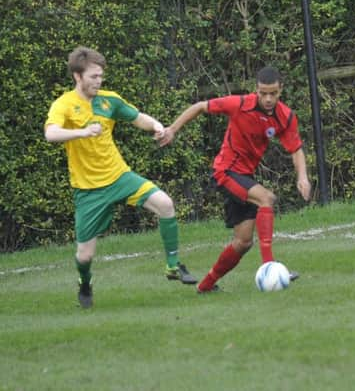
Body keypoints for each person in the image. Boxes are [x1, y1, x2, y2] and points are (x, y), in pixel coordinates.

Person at [44, 46, 197, 308]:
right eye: (93, 76)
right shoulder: (64, 105)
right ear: (77, 77)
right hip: (88, 189)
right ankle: (85, 282)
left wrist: (157, 126)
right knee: (84, 255)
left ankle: (173, 266)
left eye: (101, 76)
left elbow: (138, 118)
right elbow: (51, 134)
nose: (99, 81)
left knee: (165, 204)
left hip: (118, 177)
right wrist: (81, 133)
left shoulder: (109, 100)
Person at [159, 66, 312, 293]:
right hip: (226, 171)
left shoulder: (286, 117)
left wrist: (303, 177)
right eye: (263, 93)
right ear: (256, 90)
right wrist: (172, 129)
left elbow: (296, 149)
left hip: (244, 176)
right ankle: (269, 267)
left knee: (243, 242)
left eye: (273, 93)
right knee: (266, 198)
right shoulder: (240, 104)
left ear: (281, 90)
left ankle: (206, 286)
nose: (268, 98)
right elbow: (202, 106)